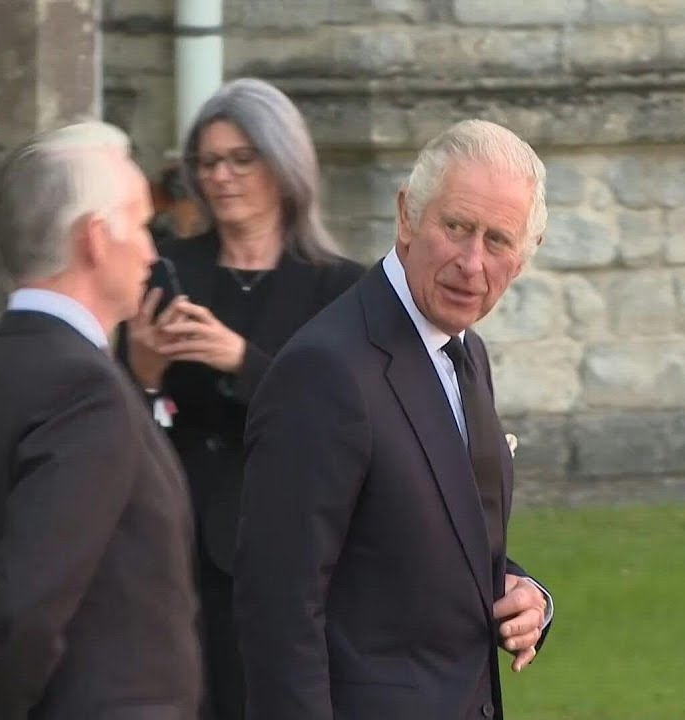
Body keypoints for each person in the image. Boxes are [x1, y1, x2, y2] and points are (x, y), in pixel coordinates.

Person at [0, 122, 203, 720]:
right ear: (96, 240)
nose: (153, 253)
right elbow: (26, 606)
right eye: (139, 225)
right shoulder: (84, 391)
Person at [235, 119, 555, 720]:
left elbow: (446, 542)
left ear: (525, 255)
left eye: (497, 241)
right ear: (407, 215)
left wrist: (526, 595)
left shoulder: (463, 351)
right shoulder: (325, 369)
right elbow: (279, 609)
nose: (471, 263)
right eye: (456, 227)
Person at [120, 78, 363, 720]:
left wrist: (242, 361)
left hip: (283, 541)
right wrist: (144, 369)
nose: (221, 176)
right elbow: (116, 412)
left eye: (240, 159)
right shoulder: (165, 269)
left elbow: (343, 422)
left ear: (283, 164)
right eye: (207, 162)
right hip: (172, 537)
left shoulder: (342, 289)